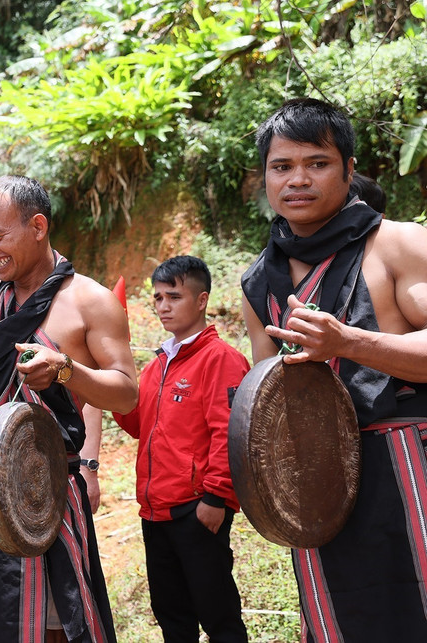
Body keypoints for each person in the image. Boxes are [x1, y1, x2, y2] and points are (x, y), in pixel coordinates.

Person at [241, 98, 427, 641]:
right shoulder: (259, 283)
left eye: (317, 163)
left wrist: (348, 341)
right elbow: (271, 402)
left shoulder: (398, 245)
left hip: (412, 461)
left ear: (348, 169)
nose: (298, 179)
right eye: (282, 166)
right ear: (265, 178)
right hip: (320, 484)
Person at [0, 175, 138, 642]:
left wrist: (67, 370)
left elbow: (126, 392)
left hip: (46, 493)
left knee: (56, 620)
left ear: (38, 225)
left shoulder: (90, 302)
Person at [114, 256, 249, 642]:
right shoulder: (157, 366)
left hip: (197, 510)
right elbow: (138, 425)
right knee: (173, 620)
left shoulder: (220, 359)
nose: (163, 307)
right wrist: (107, 390)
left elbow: (229, 431)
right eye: (157, 298)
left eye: (173, 296)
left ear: (201, 299)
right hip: (154, 513)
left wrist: (216, 496)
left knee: (219, 617)